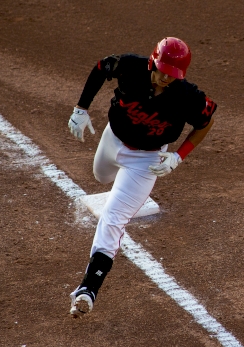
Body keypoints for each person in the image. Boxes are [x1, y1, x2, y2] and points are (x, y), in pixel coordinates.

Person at [67, 37, 217, 317]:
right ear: (152, 61)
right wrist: (81, 108)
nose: (164, 78)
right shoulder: (131, 67)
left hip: (146, 160)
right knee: (100, 177)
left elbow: (206, 122)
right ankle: (120, 185)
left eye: (172, 75)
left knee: (113, 217)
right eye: (161, 70)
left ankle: (89, 288)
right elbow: (101, 67)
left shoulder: (188, 97)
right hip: (113, 139)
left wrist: (179, 155)